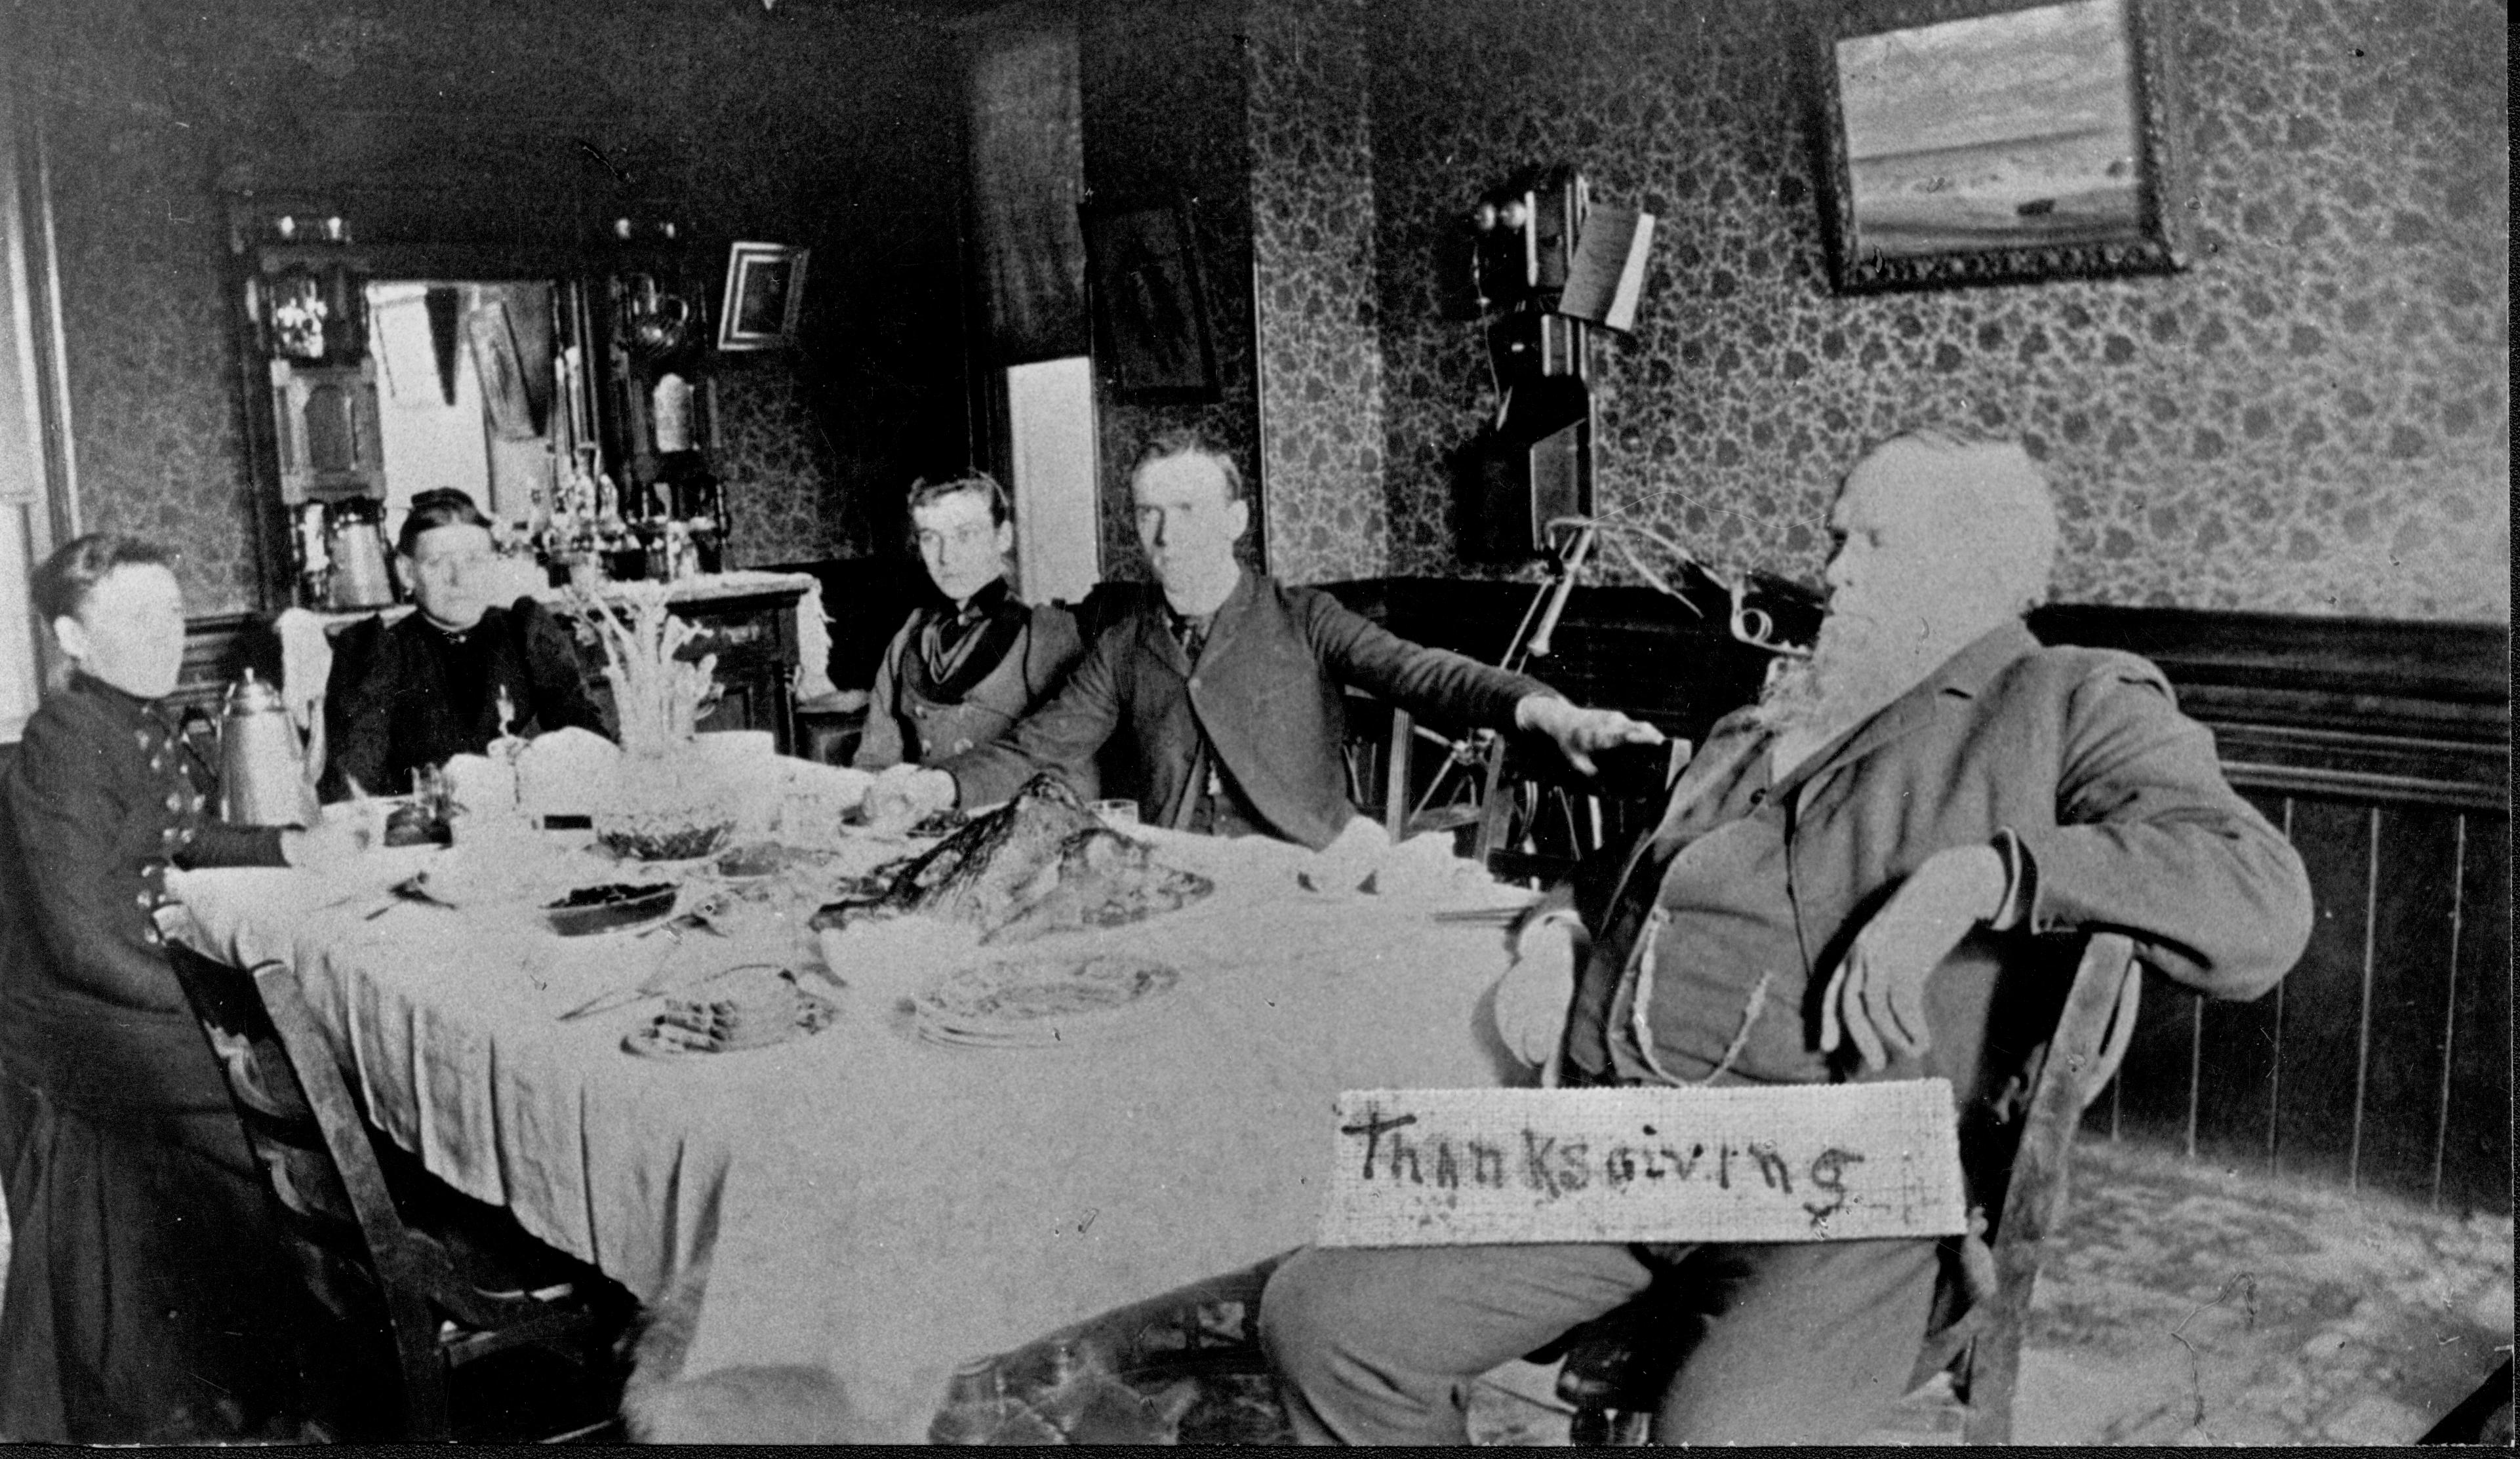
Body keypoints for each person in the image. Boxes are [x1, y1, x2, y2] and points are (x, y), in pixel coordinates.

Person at [1256, 429, 2316, 1444]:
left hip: (1854, 1192)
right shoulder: (1758, 727)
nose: (1831, 572)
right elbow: (1615, 893)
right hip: (1632, 1146)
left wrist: (1980, 874)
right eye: (1833, 539)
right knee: (1328, 1317)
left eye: (1872, 544)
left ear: (1978, 567)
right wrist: (1551, 939)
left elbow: (2259, 897)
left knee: (1719, 1439)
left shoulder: (2062, 696)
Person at [0, 534, 378, 1442]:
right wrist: (223, 1019)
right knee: (274, 1092)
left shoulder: (137, 716)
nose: (168, 635)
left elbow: (184, 833)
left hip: (118, 983)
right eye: (137, 617)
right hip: (64, 1015)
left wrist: (290, 844)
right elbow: (83, 943)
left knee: (298, 1069)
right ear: (72, 638)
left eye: (173, 612)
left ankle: (285, 1357)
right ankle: (306, 1370)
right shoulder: (65, 739)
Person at [864, 432, 1660, 847]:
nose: (1167, 534)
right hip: (1180, 879)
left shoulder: (1303, 617)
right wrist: (937, 786)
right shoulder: (1124, 643)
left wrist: (1548, 712)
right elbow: (1037, 744)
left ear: (1237, 520)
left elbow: (1428, 674)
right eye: (1149, 514)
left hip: (1304, 877)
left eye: (1189, 510)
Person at [321, 488, 607, 800]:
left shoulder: (524, 632)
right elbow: (352, 791)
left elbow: (593, 751)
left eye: (474, 560)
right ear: (407, 572)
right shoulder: (379, 649)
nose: (458, 578)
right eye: (437, 562)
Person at [852, 473, 1091, 793]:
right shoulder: (910, 634)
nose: (946, 557)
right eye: (930, 538)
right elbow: (873, 765)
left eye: (965, 535)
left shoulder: (1045, 635)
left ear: (1003, 537)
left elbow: (1075, 775)